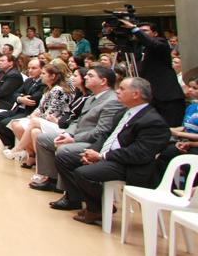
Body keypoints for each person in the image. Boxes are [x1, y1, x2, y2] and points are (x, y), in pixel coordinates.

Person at [51, 77, 171, 225]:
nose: (117, 92)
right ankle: (88, 203)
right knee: (64, 157)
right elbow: (106, 136)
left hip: (130, 165)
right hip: (110, 155)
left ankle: (96, 209)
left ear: (136, 94)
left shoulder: (153, 121)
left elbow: (139, 154)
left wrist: (102, 156)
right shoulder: (124, 113)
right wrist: (91, 152)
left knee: (84, 173)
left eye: (122, 89)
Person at [30, 65, 122, 193]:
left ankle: (68, 192)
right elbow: (77, 121)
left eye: (90, 76)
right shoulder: (92, 98)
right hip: (77, 135)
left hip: (93, 142)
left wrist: (73, 139)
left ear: (103, 81)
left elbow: (101, 131)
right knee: (42, 139)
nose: (85, 77)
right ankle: (51, 178)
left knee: (64, 149)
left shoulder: (111, 101)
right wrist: (67, 134)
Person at [122, 20, 186, 126]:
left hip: (168, 98)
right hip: (150, 98)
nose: (141, 33)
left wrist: (135, 29)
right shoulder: (139, 47)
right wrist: (110, 31)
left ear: (155, 33)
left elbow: (152, 44)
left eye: (145, 31)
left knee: (171, 129)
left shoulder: (161, 43)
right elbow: (122, 44)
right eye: (140, 31)